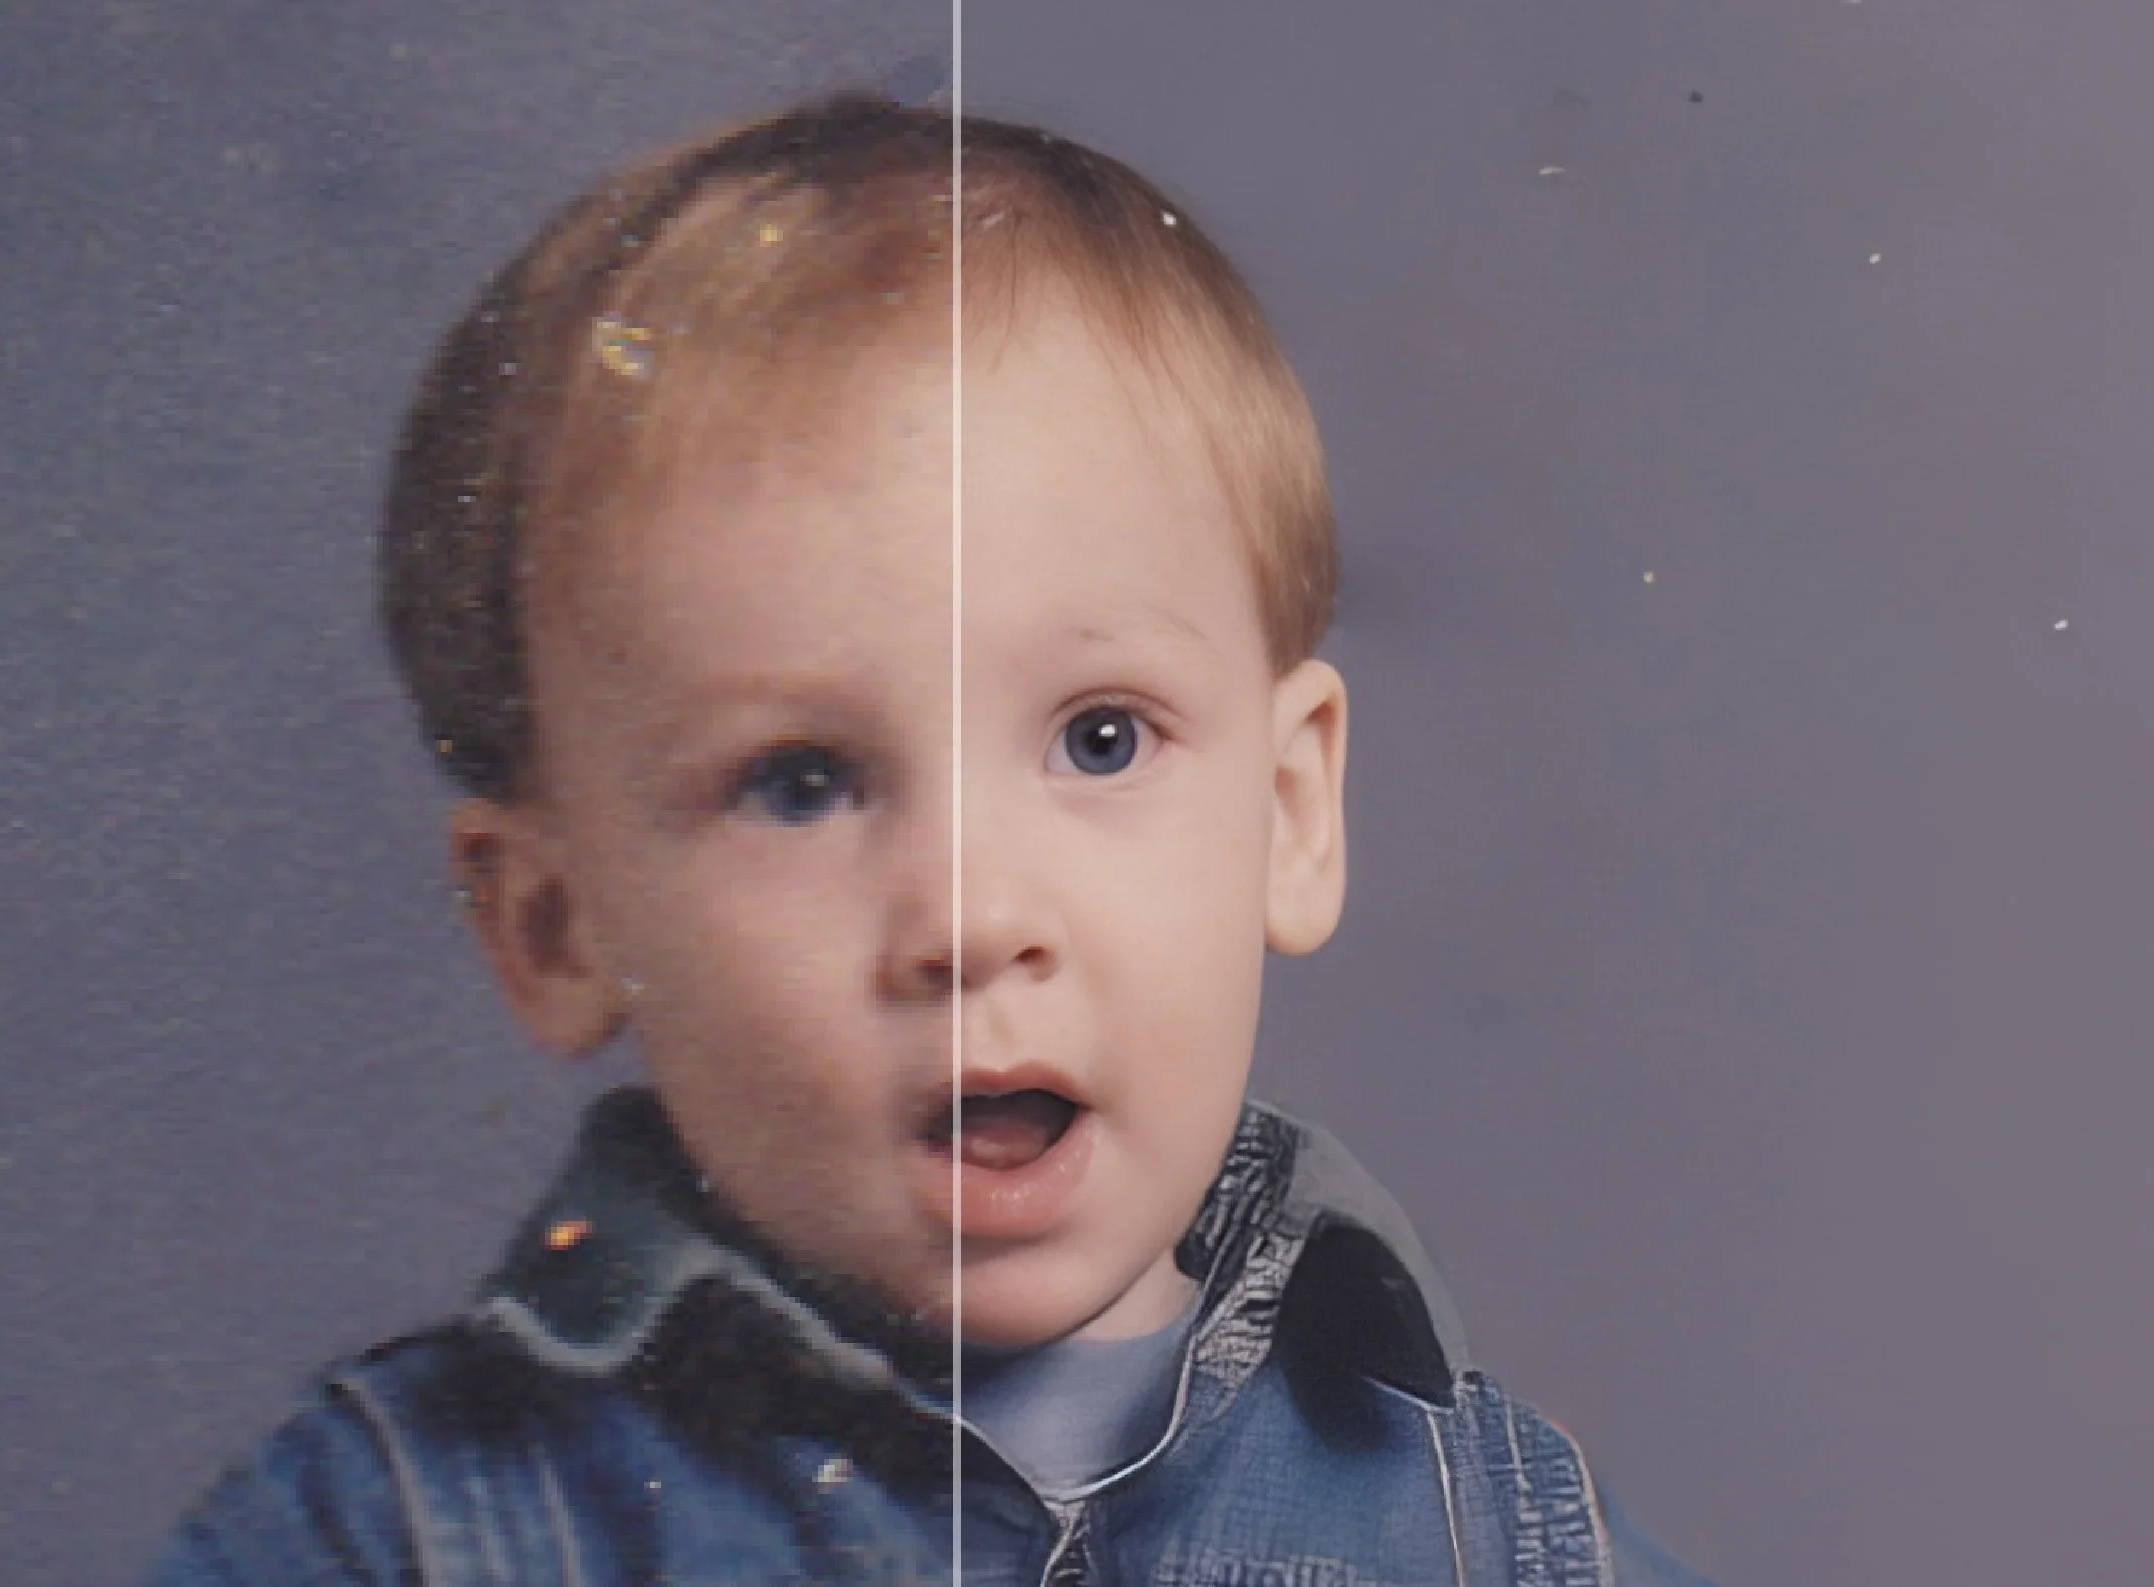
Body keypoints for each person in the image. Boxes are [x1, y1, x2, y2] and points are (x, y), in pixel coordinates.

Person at [148, 93, 1713, 1586]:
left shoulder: (1489, 1527)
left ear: (1290, 811)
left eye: (1101, 738)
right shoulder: (407, 1525)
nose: (971, 915)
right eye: (801, 783)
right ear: (557, 925)